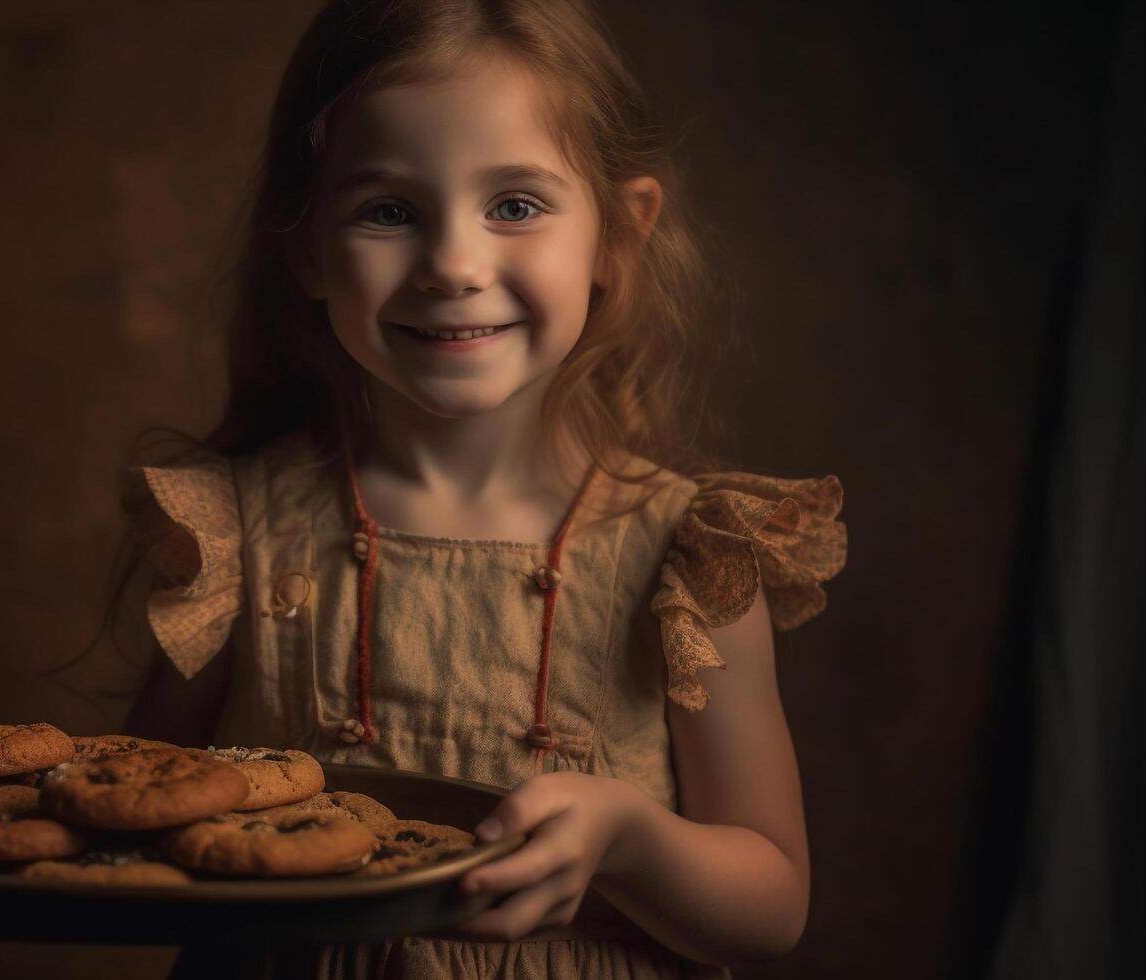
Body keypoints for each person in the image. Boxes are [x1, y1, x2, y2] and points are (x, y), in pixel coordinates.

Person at [105, 1, 849, 976]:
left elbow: (769, 903)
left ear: (616, 240)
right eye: (387, 211)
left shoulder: (688, 553)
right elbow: (129, 811)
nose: (453, 265)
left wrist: (626, 838)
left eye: (514, 204)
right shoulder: (231, 535)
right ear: (305, 248)